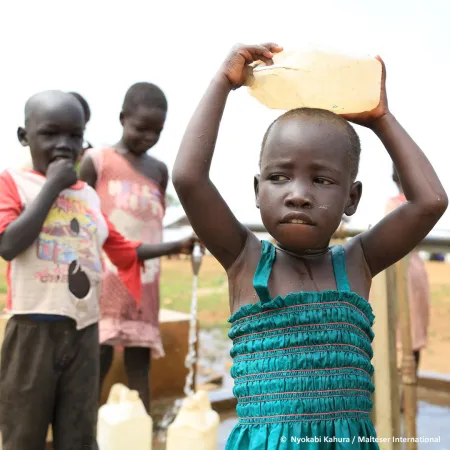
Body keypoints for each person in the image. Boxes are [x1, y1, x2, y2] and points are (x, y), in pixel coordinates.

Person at [172, 43, 447, 449]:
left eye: (321, 180)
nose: (298, 194)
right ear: (257, 189)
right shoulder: (245, 259)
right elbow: (189, 179)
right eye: (280, 177)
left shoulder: (358, 262)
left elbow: (431, 202)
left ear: (351, 199)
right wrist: (221, 83)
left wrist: (381, 118)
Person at [0, 90, 195, 450]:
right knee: (23, 434)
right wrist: (54, 186)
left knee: (78, 434)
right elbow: (9, 244)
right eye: (50, 133)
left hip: (84, 333)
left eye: (74, 135)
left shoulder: (87, 199)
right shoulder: (14, 182)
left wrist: (177, 245)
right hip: (33, 329)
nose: (64, 144)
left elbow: (126, 251)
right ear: (24, 137)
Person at [79, 82, 171, 411]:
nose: (148, 137)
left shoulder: (159, 171)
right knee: (97, 357)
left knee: (139, 361)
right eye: (140, 128)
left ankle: (140, 433)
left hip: (146, 279)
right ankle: (83, 433)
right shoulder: (97, 161)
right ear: (122, 118)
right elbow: (79, 218)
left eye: (156, 131)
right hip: (104, 278)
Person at [386, 165, 430, 374]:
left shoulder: (393, 206)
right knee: (414, 329)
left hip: (397, 269)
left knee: (395, 330)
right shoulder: (423, 206)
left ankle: (398, 394)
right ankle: (409, 396)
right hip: (415, 270)